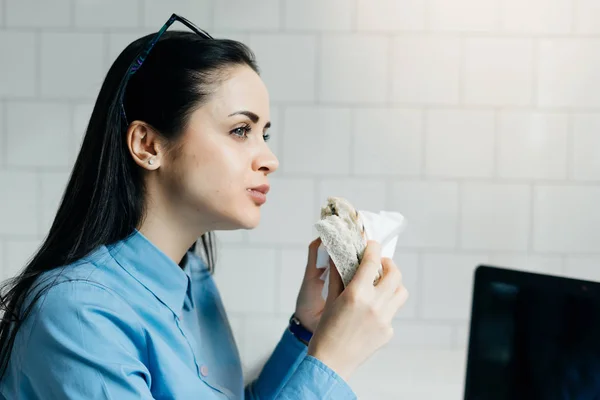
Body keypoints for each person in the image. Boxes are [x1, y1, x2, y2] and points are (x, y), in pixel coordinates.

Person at [0, 14, 408, 400]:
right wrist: (332, 363)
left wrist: (308, 329)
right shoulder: (78, 314)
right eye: (240, 130)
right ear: (148, 145)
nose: (269, 158)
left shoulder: (193, 280)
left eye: (263, 134)